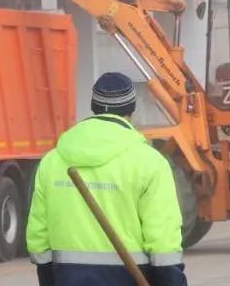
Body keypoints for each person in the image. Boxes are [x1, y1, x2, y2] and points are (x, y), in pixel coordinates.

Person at [26, 72, 187, 286]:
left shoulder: (52, 161)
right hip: (130, 279)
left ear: (94, 106)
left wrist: (48, 279)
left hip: (67, 278)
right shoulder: (150, 162)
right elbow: (163, 239)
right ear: (131, 109)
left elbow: (38, 234)